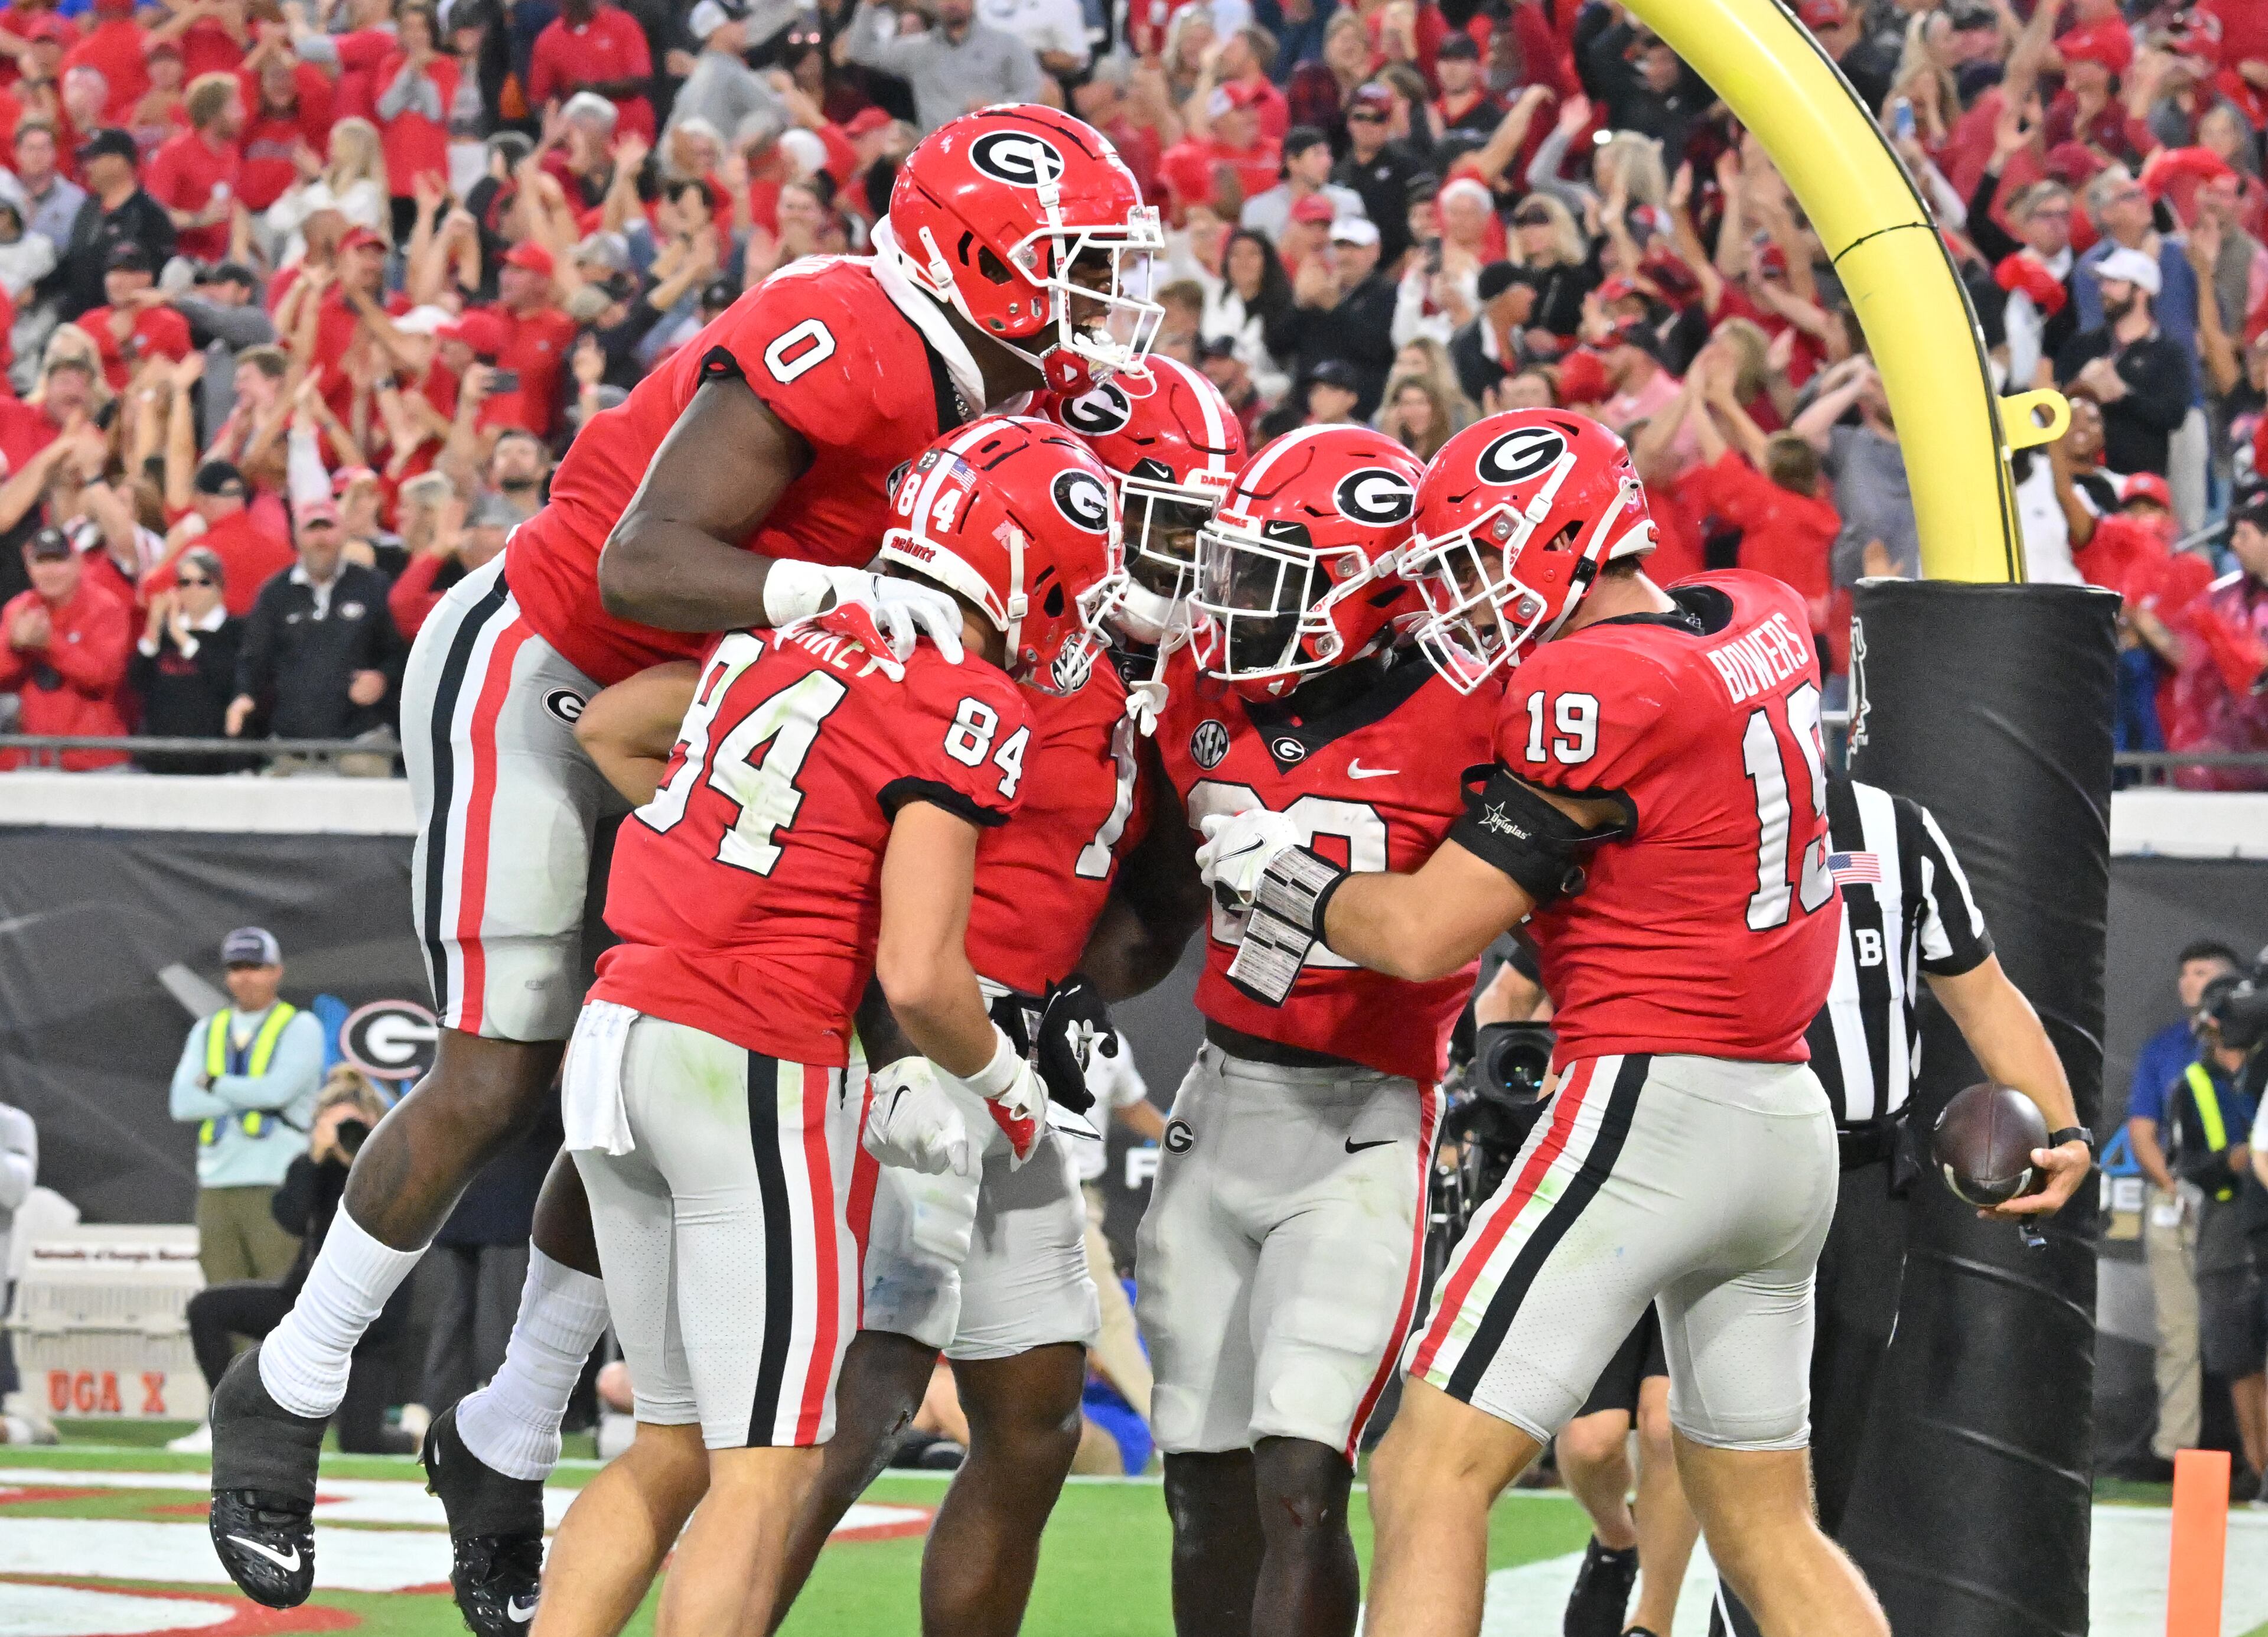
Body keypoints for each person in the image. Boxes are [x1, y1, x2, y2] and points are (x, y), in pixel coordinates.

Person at [206, 103, 1161, 1629]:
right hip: (552, 667)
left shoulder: (1012, 392)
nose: (1104, 301)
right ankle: (289, 1379)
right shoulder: (856, 329)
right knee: (502, 1061)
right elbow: (635, 564)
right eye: (1076, 267)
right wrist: (839, 591)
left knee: (652, 1059)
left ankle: (510, 1427)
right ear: (974, 260)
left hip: (727, 706)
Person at [1194, 411, 2093, 1637]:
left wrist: (1284, 876)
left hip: (1651, 1104)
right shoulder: (1756, 609)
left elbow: (1418, 934)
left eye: (1475, 560)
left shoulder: (1591, 686)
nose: (1459, 596)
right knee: (1770, 1526)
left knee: (1426, 1466)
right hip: (1786, 1124)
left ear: (1561, 541)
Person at [535, 415, 1097, 1637]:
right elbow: (923, 975)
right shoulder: (968, 694)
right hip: (744, 1058)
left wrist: (771, 874)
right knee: (768, 1461)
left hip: (619, 1029)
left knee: (669, 1445)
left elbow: (613, 726)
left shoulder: (782, 638)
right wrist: (1007, 1089)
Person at [1137, 425, 1492, 1637]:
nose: (1230, 605)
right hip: (1218, 1099)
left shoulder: (1472, 708)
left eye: (1267, 579)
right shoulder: (1197, 679)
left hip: (1364, 1115)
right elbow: (1140, 877)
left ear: (1370, 594)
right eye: (1228, 570)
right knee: (1197, 1477)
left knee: (1303, 1473)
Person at [1711, 771, 2078, 1635]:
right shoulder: (1683, 802)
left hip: (1865, 1174)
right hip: (1730, 1166)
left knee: (1819, 1468)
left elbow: (1982, 990)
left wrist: (2067, 1131)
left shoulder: (1893, 826)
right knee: (1724, 1446)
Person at [174, 1071, 413, 1457]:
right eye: (335, 1125)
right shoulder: (312, 1168)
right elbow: (290, 1217)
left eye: (354, 1125)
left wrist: (366, 1159)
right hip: (306, 1304)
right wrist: (315, 1158)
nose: (345, 1134)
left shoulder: (397, 1170)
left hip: (371, 1319)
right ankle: (232, 1419)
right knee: (207, 1307)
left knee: (361, 1443)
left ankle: (411, 1434)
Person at [2124, 940, 2245, 1479]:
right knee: (2179, 1331)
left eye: (2200, 973)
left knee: (2251, 1335)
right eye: (2184, 973)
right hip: (2178, 1201)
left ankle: (2255, 1456)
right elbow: (2141, 1129)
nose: (2187, 983)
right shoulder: (2165, 1048)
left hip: (2247, 1207)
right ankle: (2177, 1451)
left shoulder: (2256, 1050)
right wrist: (2176, 1187)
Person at [168, 928, 325, 1291]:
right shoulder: (208, 1029)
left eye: (255, 966)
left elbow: (276, 1092)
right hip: (217, 1184)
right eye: (235, 967)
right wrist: (247, 1093)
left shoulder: (300, 1026)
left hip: (278, 1181)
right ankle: (233, 1355)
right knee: (222, 1296)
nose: (244, 977)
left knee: (279, 1296)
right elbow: (183, 1103)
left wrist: (214, 1083)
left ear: (276, 971)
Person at [2161, 995, 2265, 1496]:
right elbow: (2186, 1165)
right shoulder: (2193, 1085)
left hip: (2262, 1216)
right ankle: (2257, 1463)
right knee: (2238, 1351)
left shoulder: (2261, 1072)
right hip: (2228, 1221)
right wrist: (2232, 1160)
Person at [225, 496, 405, 748]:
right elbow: (254, 657)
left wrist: (383, 677)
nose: (321, 539)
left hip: (362, 740)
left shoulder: (374, 586)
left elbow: (402, 651)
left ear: (343, 533)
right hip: (291, 743)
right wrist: (244, 696)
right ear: (296, 537)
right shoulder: (275, 594)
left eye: (328, 528)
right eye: (312, 529)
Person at [2055, 245, 2195, 480]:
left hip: (2137, 483)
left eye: (2114, 282)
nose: (2103, 290)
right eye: (2103, 282)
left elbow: (2174, 416)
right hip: (2082, 477)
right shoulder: (2083, 344)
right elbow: (2056, 403)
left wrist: (2122, 395)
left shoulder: (2167, 353)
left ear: (2142, 291)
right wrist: (2082, 386)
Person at [0, 523, 130, 770]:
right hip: (36, 758)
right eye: (41, 562)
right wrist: (16, 649)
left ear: (78, 563)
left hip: (97, 759)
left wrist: (50, 644)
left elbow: (103, 677)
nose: (50, 571)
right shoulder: (20, 609)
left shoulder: (106, 607)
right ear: (29, 568)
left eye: (58, 561)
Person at [839, 0, 1042, 136]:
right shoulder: (918, 50)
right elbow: (861, 51)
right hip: (939, 151)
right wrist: (870, 5)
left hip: (993, 140)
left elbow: (1031, 91)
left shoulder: (1007, 44)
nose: (952, 3)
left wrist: (997, 107)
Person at [130, 544, 243, 771]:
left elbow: (228, 682)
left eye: (203, 582)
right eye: (185, 582)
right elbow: (137, 681)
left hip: (216, 764)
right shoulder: (163, 635)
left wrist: (185, 640)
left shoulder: (237, 631)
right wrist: (153, 629)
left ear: (220, 587)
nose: (193, 590)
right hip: (159, 763)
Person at [53, 128, 174, 318]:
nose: (87, 167)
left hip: (123, 319)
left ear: (119, 162)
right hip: (77, 317)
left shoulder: (150, 216)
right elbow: (74, 260)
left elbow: (158, 277)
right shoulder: (88, 208)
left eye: (94, 159)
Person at [526, 0, 654, 144]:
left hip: (632, 135)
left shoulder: (623, 23)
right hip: (582, 142)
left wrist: (592, 90)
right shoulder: (548, 40)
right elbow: (539, 100)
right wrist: (559, 130)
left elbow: (640, 80)